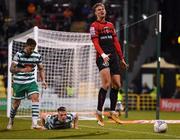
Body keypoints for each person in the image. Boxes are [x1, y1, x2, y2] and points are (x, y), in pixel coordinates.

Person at [90, 3, 128, 126]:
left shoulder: (111, 25)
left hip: (114, 58)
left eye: (103, 9)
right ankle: (98, 112)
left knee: (117, 84)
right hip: (102, 58)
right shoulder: (94, 26)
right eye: (99, 10)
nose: (102, 11)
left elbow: (116, 42)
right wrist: (103, 55)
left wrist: (121, 58)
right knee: (106, 84)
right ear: (95, 13)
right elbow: (95, 43)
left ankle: (112, 113)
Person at [7, 38, 47, 130]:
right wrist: (22, 70)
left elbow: (41, 68)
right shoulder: (18, 55)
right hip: (18, 82)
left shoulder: (37, 56)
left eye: (33, 48)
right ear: (26, 46)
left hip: (30, 81)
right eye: (30, 48)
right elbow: (11, 69)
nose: (31, 50)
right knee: (16, 105)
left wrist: (43, 80)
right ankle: (11, 120)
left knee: (35, 98)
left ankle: (34, 123)